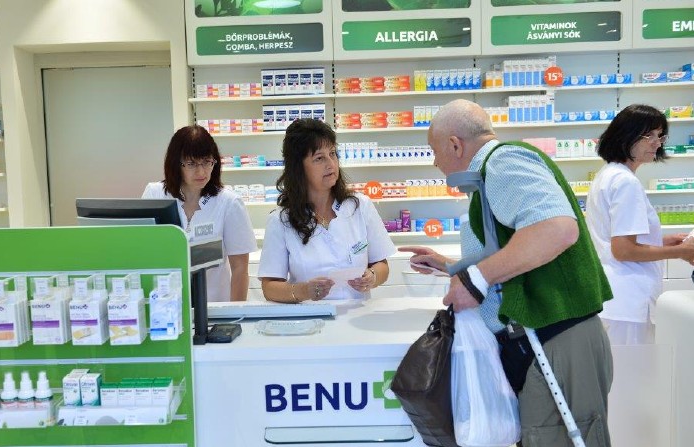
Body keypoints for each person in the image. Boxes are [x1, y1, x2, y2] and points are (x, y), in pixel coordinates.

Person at [400, 99, 613, 447]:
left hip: (556, 337)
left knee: (559, 439)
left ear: (455, 144)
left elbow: (557, 229)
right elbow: (514, 251)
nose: (435, 162)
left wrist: (475, 279)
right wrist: (452, 266)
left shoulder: (503, 162)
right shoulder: (487, 177)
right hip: (542, 336)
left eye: (434, 151)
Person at [585, 104, 694, 345]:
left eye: (660, 135)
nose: (657, 143)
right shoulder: (626, 182)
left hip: (614, 298)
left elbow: (617, 239)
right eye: (649, 135)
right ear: (626, 136)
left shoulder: (609, 174)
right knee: (632, 367)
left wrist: (665, 241)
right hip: (627, 299)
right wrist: (682, 251)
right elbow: (624, 250)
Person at [258, 118, 395, 302]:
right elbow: (269, 287)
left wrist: (372, 277)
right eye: (319, 158)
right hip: (310, 316)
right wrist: (304, 291)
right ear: (298, 167)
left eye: (332, 153)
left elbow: (382, 265)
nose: (331, 164)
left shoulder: (360, 206)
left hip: (357, 314)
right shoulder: (281, 221)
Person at [142, 124, 256, 302]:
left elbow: (240, 269)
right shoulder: (155, 195)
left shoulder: (229, 203)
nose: (201, 171)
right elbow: (143, 253)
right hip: (167, 307)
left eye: (207, 162)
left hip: (215, 308)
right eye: (192, 164)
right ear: (176, 164)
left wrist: (235, 313)